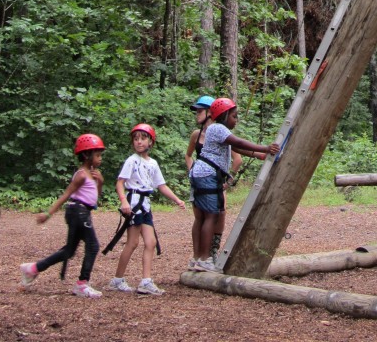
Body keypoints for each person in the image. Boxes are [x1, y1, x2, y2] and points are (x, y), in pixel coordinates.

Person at [189, 97, 279, 272]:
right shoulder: (218, 128)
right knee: (210, 217)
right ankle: (204, 259)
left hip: (201, 174)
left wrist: (260, 155)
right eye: (234, 116)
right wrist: (265, 148)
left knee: (205, 217)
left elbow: (237, 149)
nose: (236, 120)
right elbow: (239, 142)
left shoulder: (216, 131)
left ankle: (198, 258)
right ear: (223, 115)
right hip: (207, 175)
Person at [19, 133, 105, 298]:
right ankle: (82, 284)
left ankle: (33, 269)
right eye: (98, 155)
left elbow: (96, 197)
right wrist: (48, 214)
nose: (100, 158)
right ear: (87, 155)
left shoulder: (92, 174)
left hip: (83, 212)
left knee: (69, 251)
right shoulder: (81, 174)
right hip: (77, 212)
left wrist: (100, 182)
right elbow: (66, 194)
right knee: (93, 246)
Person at [108, 123, 186, 296]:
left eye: (143, 138)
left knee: (150, 242)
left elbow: (161, 185)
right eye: (136, 139)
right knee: (133, 242)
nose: (139, 142)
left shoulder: (153, 163)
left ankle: (146, 281)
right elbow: (120, 183)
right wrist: (124, 202)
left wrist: (177, 199)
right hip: (134, 201)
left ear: (151, 142)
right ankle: (117, 279)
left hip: (145, 204)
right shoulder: (132, 161)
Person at [185, 94, 241, 264]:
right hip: (204, 177)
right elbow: (188, 156)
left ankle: (211, 252)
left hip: (214, 178)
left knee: (217, 214)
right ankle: (200, 257)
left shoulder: (217, 131)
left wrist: (228, 181)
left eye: (200, 111)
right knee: (203, 217)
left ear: (211, 112)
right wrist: (192, 171)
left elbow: (237, 156)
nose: (197, 115)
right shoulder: (198, 134)